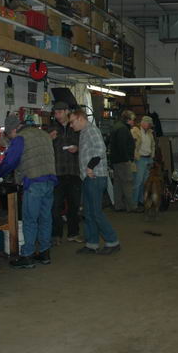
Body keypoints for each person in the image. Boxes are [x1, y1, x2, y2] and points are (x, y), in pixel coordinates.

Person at [0, 114, 57, 268]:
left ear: (14, 129)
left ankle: (27, 256)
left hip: (34, 183)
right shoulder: (43, 134)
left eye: (10, 135)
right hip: (50, 181)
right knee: (45, 218)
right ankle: (45, 253)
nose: (11, 138)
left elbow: (10, 161)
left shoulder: (20, 138)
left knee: (30, 220)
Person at [70, 109, 120, 255]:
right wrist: (78, 149)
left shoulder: (91, 130)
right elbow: (91, 150)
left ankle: (113, 241)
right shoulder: (84, 132)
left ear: (80, 118)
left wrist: (90, 166)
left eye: (72, 122)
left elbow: (100, 149)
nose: (71, 125)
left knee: (96, 212)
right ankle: (92, 244)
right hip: (88, 178)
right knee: (88, 212)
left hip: (95, 177)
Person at [49, 101, 82, 245]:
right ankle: (56, 235)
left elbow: (84, 144)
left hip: (74, 171)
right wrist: (49, 139)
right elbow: (45, 149)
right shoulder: (51, 129)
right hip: (57, 173)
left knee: (74, 205)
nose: (57, 115)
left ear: (66, 111)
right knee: (55, 206)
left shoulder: (75, 127)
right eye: (55, 113)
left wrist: (77, 148)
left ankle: (73, 233)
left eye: (59, 112)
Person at [108, 110, 136, 212]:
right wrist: (127, 159)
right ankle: (131, 206)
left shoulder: (117, 126)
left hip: (116, 160)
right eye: (133, 120)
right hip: (123, 161)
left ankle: (118, 205)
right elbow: (122, 146)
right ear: (128, 120)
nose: (133, 122)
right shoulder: (123, 129)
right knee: (127, 182)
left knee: (118, 184)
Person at [131, 115, 156, 211]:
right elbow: (132, 145)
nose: (150, 126)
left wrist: (152, 156)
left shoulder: (150, 133)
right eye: (149, 124)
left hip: (148, 159)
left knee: (145, 182)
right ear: (144, 123)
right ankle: (134, 203)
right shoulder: (135, 131)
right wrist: (135, 156)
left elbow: (153, 145)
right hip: (140, 159)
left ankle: (141, 200)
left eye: (150, 124)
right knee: (138, 182)